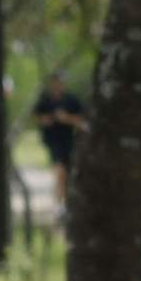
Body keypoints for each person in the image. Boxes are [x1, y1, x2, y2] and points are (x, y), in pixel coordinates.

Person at [33, 72, 87, 215]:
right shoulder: (46, 100)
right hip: (53, 141)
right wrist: (46, 120)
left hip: (69, 141)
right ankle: (59, 205)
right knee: (60, 171)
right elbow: (37, 116)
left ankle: (65, 201)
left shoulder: (71, 100)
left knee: (68, 174)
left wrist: (66, 118)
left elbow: (82, 120)